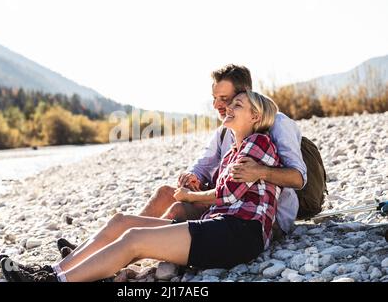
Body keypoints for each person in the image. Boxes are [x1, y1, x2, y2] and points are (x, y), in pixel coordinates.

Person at [0, 90, 282, 282]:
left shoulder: (258, 142)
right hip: (220, 226)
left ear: (255, 117)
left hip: (240, 234)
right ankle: (50, 271)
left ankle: (55, 281)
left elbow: (227, 194)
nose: (228, 108)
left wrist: (188, 195)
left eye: (237, 106)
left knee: (135, 239)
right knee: (121, 222)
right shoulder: (235, 148)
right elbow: (225, 192)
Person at [56, 65, 307, 258]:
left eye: (224, 98)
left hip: (263, 218)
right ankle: (103, 248)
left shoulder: (278, 124)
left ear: (244, 94)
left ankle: (122, 252)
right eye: (214, 98)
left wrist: (260, 171)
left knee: (177, 210)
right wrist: (193, 177)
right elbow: (204, 164)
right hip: (227, 205)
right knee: (166, 193)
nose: (217, 105)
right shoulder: (225, 129)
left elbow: (298, 178)